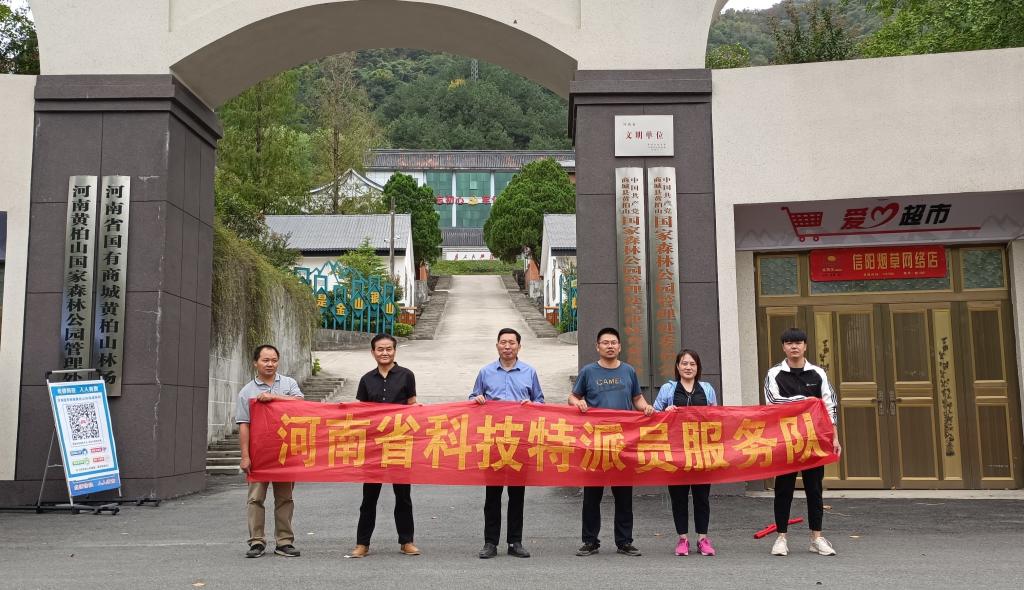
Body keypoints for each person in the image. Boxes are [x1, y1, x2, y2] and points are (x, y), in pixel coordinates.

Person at [569, 327, 654, 557]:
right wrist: (577, 403)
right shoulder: (588, 371)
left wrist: (646, 407)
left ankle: (624, 541)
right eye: (605, 343)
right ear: (597, 347)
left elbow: (637, 398)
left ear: (619, 346)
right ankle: (590, 541)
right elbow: (573, 396)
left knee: (624, 496)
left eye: (613, 342)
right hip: (595, 443)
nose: (609, 346)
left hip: (622, 443)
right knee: (592, 496)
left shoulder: (629, 371)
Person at [763, 327, 841, 557]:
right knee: (783, 489)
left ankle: (816, 538)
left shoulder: (818, 373)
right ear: (783, 347)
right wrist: (806, 401)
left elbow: (829, 405)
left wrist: (834, 436)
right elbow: (773, 403)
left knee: (814, 489)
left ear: (805, 346)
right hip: (785, 440)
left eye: (798, 342)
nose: (794, 346)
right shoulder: (774, 374)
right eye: (789, 343)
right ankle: (781, 537)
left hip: (814, 440)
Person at [470, 328, 545, 560]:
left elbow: (541, 402)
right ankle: (490, 542)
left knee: (517, 494)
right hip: (493, 441)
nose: (507, 347)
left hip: (519, 441)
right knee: (492, 495)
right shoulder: (486, 372)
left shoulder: (529, 372)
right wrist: (477, 399)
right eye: (503, 342)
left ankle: (515, 541)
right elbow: (472, 399)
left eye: (512, 343)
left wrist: (532, 405)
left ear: (519, 346)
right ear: (497, 346)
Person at [347, 333, 421, 558]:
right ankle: (362, 544)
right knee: (369, 497)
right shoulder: (366, 379)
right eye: (380, 349)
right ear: (373, 352)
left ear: (395, 351)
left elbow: (412, 405)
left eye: (389, 349)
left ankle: (406, 541)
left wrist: (419, 410)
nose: (385, 352)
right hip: (374, 447)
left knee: (403, 496)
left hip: (400, 444)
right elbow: (361, 412)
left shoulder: (407, 375)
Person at [237, 344, 304, 559]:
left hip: (285, 453)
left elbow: (300, 403)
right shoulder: (247, 391)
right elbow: (244, 425)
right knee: (255, 499)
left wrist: (274, 397)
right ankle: (256, 541)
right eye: (265, 360)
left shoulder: (289, 384)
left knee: (285, 498)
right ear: (255, 363)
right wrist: (245, 456)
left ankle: (284, 542)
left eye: (274, 360)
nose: (270, 364)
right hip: (259, 455)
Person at [653, 349, 719, 557]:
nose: (688, 367)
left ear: (698, 367)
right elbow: (653, 415)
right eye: (684, 363)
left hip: (701, 451)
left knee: (702, 497)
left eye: (692, 364)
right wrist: (665, 413)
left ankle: (702, 538)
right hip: (676, 452)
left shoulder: (707, 389)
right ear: (677, 366)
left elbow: (716, 417)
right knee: (679, 497)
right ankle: (682, 539)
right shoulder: (668, 389)